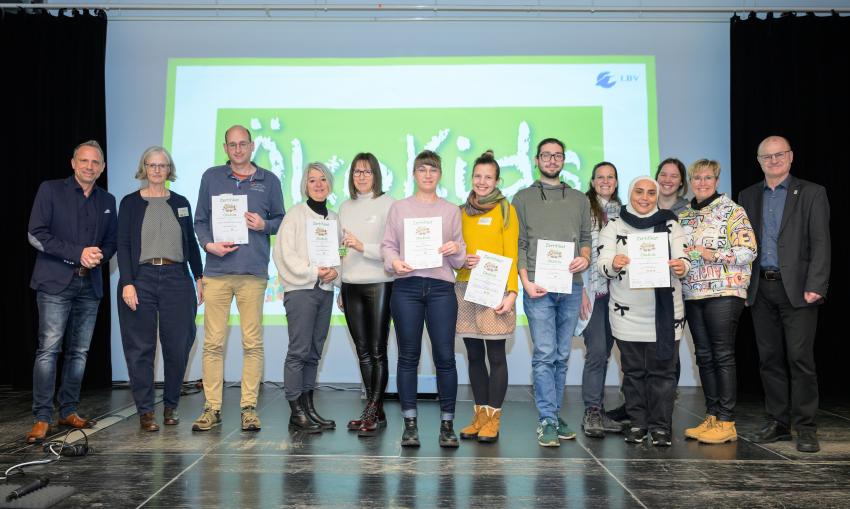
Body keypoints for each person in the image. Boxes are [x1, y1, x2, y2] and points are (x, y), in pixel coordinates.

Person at [738, 136, 830, 453]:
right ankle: (778, 423)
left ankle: (805, 427)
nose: (774, 160)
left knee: (800, 359)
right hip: (760, 287)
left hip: (799, 290)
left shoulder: (812, 193)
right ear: (759, 160)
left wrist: (816, 284)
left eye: (780, 155)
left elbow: (821, 243)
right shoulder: (747, 195)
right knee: (769, 360)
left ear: (790, 157)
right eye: (767, 156)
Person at [192, 125, 285, 432]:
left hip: (252, 273)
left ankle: (248, 408)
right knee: (213, 344)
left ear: (252, 145)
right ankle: (212, 408)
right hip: (217, 272)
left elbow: (281, 220)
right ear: (225, 147)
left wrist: (264, 224)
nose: (238, 149)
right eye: (232, 145)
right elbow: (200, 220)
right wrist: (208, 245)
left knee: (252, 343)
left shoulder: (269, 180)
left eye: (243, 144)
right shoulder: (211, 177)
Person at [26, 140, 117, 443]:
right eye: (84, 161)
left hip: (89, 285)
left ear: (102, 168)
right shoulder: (50, 190)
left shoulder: (107, 199)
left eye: (95, 163)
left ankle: (67, 410)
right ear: (73, 163)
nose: (89, 166)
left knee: (79, 353)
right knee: (49, 351)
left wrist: (98, 255)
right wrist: (77, 253)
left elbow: (111, 241)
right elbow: (36, 235)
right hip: (55, 283)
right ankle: (42, 417)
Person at [381, 150, 466, 448]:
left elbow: (460, 259)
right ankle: (410, 425)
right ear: (414, 174)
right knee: (408, 357)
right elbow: (388, 246)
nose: (427, 174)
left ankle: (447, 425)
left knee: (445, 358)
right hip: (407, 287)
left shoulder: (451, 210)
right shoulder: (399, 208)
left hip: (441, 289)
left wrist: (455, 247)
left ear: (440, 174)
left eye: (433, 169)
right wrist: (394, 263)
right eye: (422, 169)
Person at [597, 176, 690, 447]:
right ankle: (638, 424)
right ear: (630, 193)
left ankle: (661, 427)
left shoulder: (670, 223)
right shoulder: (613, 225)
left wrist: (682, 266)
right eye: (639, 192)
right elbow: (602, 265)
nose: (645, 197)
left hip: (665, 314)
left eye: (651, 193)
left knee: (663, 374)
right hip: (626, 316)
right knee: (634, 373)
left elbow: (685, 259)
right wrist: (614, 262)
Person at [117, 146, 204, 431]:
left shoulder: (180, 202)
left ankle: (170, 407)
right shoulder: (130, 203)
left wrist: (199, 277)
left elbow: (190, 243)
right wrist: (128, 282)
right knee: (140, 347)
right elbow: (124, 245)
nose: (157, 170)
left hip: (176, 278)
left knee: (178, 347)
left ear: (169, 169)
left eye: (162, 165)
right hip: (140, 277)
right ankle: (145, 411)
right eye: (152, 165)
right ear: (144, 168)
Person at [512, 137, 592, 447]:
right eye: (546, 155)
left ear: (564, 160)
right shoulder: (521, 199)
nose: (551, 160)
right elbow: (518, 244)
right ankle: (546, 418)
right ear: (536, 160)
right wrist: (525, 281)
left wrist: (584, 257)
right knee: (544, 355)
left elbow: (585, 238)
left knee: (560, 356)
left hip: (571, 286)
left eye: (557, 155)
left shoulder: (579, 199)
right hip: (538, 287)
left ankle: (554, 415)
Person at [678, 159, 756, 444]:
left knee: (722, 355)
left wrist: (712, 254)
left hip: (725, 292)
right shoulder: (684, 216)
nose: (701, 182)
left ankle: (726, 421)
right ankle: (712, 416)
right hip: (693, 293)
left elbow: (748, 251)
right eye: (697, 178)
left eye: (707, 178)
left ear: (717, 180)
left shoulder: (733, 211)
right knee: (704, 356)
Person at [455, 150, 519, 443]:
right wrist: (461, 260)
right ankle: (479, 416)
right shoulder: (460, 211)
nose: (482, 182)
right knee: (473, 355)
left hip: (495, 290)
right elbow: (455, 251)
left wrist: (512, 292)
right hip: (465, 288)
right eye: (478, 176)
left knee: (496, 355)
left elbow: (512, 253)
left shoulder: (505, 209)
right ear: (472, 178)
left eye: (488, 177)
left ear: (497, 180)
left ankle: (494, 418)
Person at [273, 163, 340, 433]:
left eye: (323, 179)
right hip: (301, 290)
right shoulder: (295, 215)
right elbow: (283, 254)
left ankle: (309, 407)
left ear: (330, 183)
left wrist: (336, 271)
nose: (319, 184)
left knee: (314, 353)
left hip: (325, 291)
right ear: (305, 185)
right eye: (313, 180)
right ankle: (295, 410)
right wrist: (314, 271)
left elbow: (341, 252)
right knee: (299, 351)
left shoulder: (334, 218)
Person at [337, 153, 395, 437]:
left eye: (367, 171)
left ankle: (372, 407)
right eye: (357, 171)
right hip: (350, 284)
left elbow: (392, 249)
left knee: (377, 349)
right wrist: (339, 283)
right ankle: (376, 408)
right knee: (362, 351)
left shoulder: (388, 204)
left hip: (379, 283)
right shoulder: (344, 207)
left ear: (376, 175)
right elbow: (340, 249)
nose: (361, 176)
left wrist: (363, 246)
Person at [577, 162, 623, 438]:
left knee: (608, 353)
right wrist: (580, 290)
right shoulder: (583, 210)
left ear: (616, 182)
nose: (605, 181)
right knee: (596, 352)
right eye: (600, 177)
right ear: (592, 182)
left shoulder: (626, 212)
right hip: (592, 294)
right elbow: (576, 251)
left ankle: (604, 412)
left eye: (610, 177)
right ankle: (592, 412)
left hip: (620, 296)